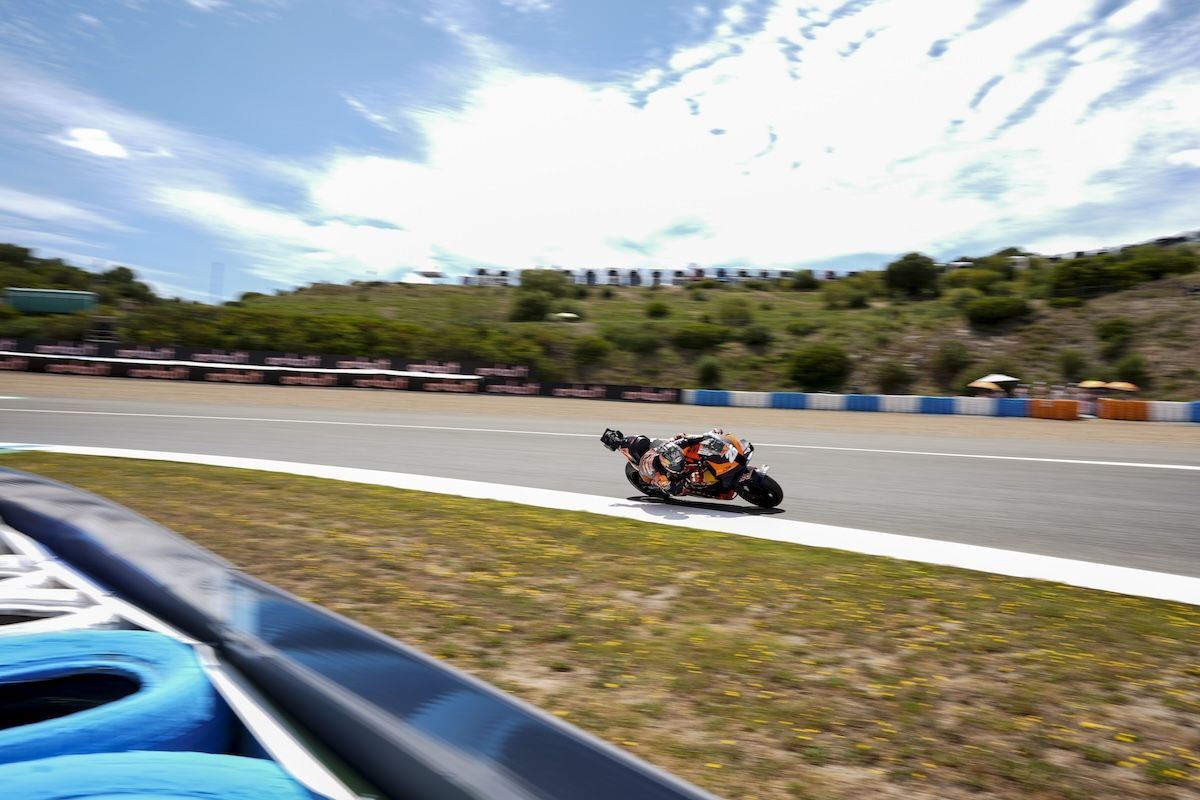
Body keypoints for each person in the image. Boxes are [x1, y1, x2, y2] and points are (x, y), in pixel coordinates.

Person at [602, 427, 734, 498]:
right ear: (667, 466)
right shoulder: (661, 477)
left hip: (656, 449)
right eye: (676, 466)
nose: (680, 466)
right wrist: (689, 480)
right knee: (683, 486)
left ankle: (618, 442)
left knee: (637, 442)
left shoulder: (676, 445)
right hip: (648, 474)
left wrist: (710, 434)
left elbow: (688, 438)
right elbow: (675, 491)